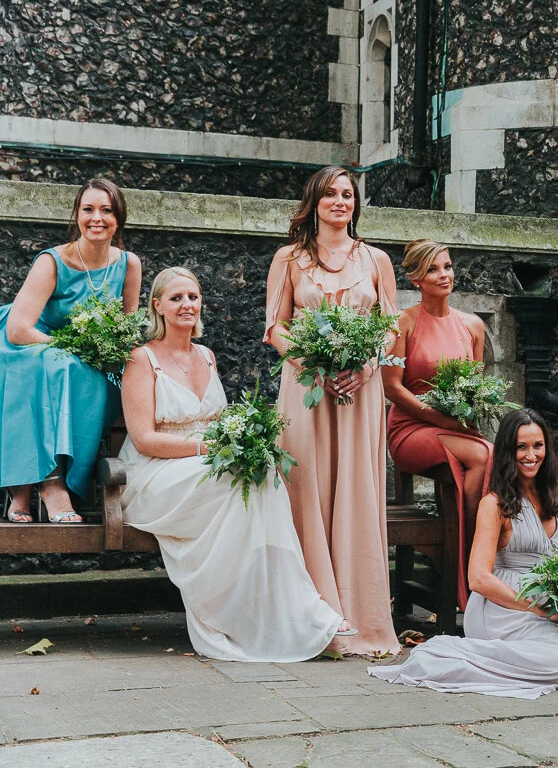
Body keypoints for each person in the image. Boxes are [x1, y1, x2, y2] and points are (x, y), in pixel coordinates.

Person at [119, 267, 342, 661]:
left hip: (211, 466)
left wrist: (246, 440)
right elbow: (144, 439)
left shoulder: (206, 356)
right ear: (158, 306)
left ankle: (284, 611)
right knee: (240, 481)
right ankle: (240, 615)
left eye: (193, 296)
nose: (186, 304)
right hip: (156, 474)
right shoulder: (142, 358)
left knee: (263, 472)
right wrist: (211, 449)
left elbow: (221, 420)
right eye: (176, 298)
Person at [369, 408, 558, 698]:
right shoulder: (495, 504)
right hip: (502, 608)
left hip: (546, 606)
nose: (530, 455)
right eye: (521, 447)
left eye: (537, 446)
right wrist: (541, 610)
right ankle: (464, 655)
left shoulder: (555, 493)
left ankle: (515, 658)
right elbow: (479, 579)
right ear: (508, 452)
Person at [264, 166, 401, 655]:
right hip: (306, 388)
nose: (340, 201)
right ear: (314, 202)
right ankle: (311, 613)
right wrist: (312, 362)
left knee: (356, 491)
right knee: (305, 489)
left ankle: (361, 613)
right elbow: (276, 328)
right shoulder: (290, 259)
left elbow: (389, 329)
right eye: (331, 194)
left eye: (348, 194)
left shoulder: (377, 259)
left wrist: (365, 365)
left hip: (360, 391)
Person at [1, 179, 142, 523]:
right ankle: (50, 483)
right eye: (88, 209)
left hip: (89, 358)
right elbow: (19, 329)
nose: (97, 218)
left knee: (85, 374)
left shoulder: (129, 265)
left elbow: (127, 332)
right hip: (31, 342)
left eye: (107, 210)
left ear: (119, 217)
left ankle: (22, 486)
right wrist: (74, 348)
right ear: (77, 216)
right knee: (54, 366)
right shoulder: (52, 262)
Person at [384, 239, 493, 610]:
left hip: (455, 429)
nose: (443, 275)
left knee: (491, 455)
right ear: (415, 278)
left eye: (447, 266)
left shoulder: (473, 326)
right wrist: (440, 418)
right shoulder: (403, 323)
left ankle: (471, 555)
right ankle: (471, 564)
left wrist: (463, 416)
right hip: (409, 429)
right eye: (432, 269)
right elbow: (392, 389)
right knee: (484, 454)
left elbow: (476, 391)